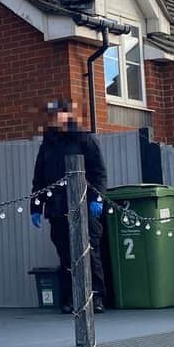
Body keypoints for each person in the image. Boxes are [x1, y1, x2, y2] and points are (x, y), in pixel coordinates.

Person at [30, 98, 107, 314]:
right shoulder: (48, 144)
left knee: (90, 251)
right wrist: (36, 207)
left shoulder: (84, 139)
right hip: (57, 208)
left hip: (84, 206)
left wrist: (97, 198)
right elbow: (39, 180)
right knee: (65, 255)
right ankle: (71, 298)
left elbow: (99, 172)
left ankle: (97, 296)